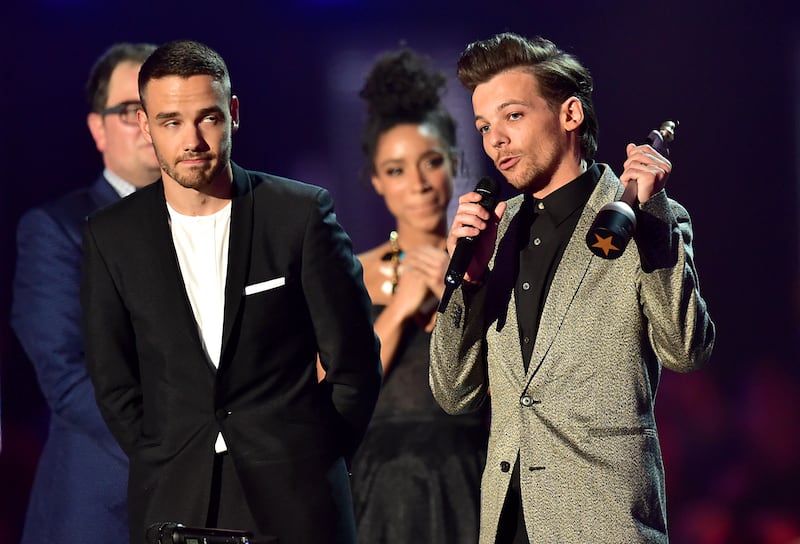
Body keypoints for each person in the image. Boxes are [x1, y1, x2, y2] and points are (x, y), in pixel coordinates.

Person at [80, 40, 382, 544]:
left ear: (233, 113)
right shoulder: (111, 236)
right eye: (171, 121)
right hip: (175, 503)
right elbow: (113, 382)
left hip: (297, 504)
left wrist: (312, 457)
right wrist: (168, 455)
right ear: (148, 125)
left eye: (208, 118)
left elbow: (353, 363)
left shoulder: (298, 213)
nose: (192, 139)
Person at [429, 32, 716, 543]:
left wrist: (650, 217)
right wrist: (469, 282)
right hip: (506, 523)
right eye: (484, 126)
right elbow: (454, 393)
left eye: (512, 116)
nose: (495, 140)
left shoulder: (647, 219)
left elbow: (684, 350)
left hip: (603, 522)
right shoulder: (494, 232)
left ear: (570, 115)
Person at [10, 42, 159, 544]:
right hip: (106, 507)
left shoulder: (225, 222)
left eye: (161, 109)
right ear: (98, 128)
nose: (147, 123)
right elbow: (66, 376)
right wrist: (185, 443)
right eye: (130, 110)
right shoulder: (57, 229)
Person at [347, 49, 487, 543]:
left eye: (431, 162)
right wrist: (402, 306)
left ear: (454, 162)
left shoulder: (487, 267)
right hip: (382, 495)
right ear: (376, 181)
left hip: (474, 482)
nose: (420, 184)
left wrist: (465, 291)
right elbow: (334, 396)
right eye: (398, 169)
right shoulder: (351, 274)